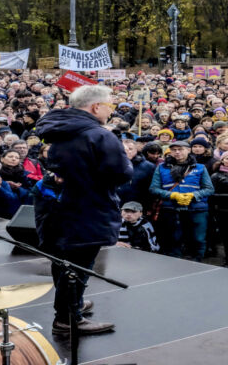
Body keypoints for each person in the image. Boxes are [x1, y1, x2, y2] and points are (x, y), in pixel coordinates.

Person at [34, 84, 133, 335]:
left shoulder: (60, 128)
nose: (111, 111)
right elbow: (121, 173)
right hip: (87, 207)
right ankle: (68, 319)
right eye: (109, 105)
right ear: (95, 106)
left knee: (64, 259)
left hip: (60, 205)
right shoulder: (99, 135)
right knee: (77, 263)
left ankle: (72, 304)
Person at [149, 140, 214, 261]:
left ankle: (197, 260)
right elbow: (153, 189)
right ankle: (174, 262)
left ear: (188, 150)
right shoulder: (161, 168)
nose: (177, 152)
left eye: (180, 149)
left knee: (198, 238)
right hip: (171, 208)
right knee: (173, 238)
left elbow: (209, 189)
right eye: (174, 150)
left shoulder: (200, 168)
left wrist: (193, 195)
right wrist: (172, 195)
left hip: (197, 208)